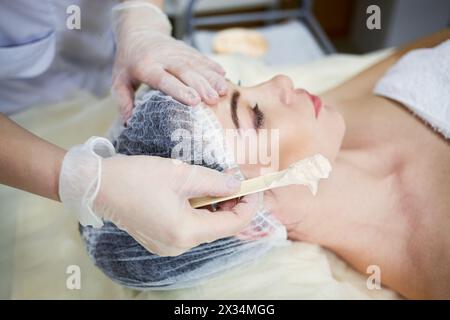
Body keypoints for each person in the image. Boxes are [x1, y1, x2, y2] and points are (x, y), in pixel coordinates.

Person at [81, 30, 450, 299]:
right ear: (243, 217)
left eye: (242, 85)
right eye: (256, 118)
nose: (281, 81)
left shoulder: (326, 114)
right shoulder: (439, 263)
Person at [0, 0, 259, 257]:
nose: (281, 81)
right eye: (257, 119)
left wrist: (141, 17)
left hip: (107, 69)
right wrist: (74, 178)